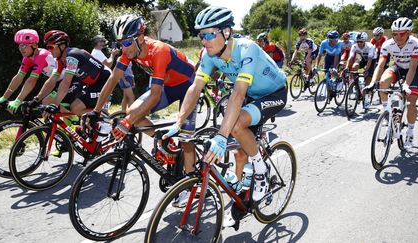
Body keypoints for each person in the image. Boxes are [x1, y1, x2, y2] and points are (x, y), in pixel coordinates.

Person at [161, 6, 287, 227]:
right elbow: (195, 88)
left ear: (226, 32)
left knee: (235, 126)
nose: (204, 40)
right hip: (251, 95)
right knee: (239, 153)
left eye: (209, 34)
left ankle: (261, 169)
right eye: (201, 35)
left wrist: (221, 135)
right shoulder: (209, 55)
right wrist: (179, 121)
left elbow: (238, 94)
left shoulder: (247, 49)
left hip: (273, 93)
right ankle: (240, 197)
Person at [81, 15, 197, 196]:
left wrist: (128, 122)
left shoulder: (159, 51)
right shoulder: (130, 51)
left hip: (188, 86)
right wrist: (96, 111)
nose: (123, 48)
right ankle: (166, 142)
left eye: (126, 43)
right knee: (131, 111)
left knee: (186, 139)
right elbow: (113, 79)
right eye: (119, 43)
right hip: (168, 85)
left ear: (140, 38)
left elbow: (155, 94)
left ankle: (191, 184)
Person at [363, 17, 418, 148]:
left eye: (402, 33)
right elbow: (381, 65)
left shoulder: (416, 44)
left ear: (409, 33)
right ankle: (388, 113)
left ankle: (410, 132)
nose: (398, 37)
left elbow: (412, 68)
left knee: (411, 102)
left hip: (416, 69)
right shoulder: (387, 44)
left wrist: (406, 85)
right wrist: (372, 82)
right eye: (395, 33)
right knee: (383, 82)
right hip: (399, 67)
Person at [30, 30, 110, 116]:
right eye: (47, 47)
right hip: (92, 82)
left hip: (104, 79)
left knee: (76, 108)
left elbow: (66, 82)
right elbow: (52, 80)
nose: (49, 50)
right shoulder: (60, 60)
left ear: (62, 46)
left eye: (51, 47)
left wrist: (55, 104)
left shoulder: (72, 56)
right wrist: (37, 99)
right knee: (74, 107)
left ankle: (106, 120)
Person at [0, 29, 57, 113]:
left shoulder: (42, 56)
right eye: (20, 45)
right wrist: (4, 97)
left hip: (68, 80)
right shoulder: (27, 58)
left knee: (46, 102)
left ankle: (72, 120)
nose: (21, 49)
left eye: (24, 45)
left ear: (34, 45)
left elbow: (32, 80)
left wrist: (18, 100)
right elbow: (19, 77)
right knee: (47, 110)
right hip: (56, 82)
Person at [91, 36, 135, 111]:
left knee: (126, 97)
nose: (103, 42)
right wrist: (112, 55)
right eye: (101, 41)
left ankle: (123, 113)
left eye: (103, 41)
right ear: (96, 42)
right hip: (103, 80)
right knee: (131, 97)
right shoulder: (97, 52)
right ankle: (131, 114)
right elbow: (109, 65)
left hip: (125, 78)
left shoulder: (97, 52)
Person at [344, 32, 377, 108]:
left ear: (365, 41)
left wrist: (366, 70)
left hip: (372, 60)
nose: (359, 43)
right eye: (357, 41)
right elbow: (350, 58)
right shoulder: (355, 46)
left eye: (361, 41)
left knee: (368, 78)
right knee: (354, 66)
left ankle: (367, 98)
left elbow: (369, 59)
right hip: (363, 59)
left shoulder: (370, 46)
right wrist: (346, 67)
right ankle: (354, 84)